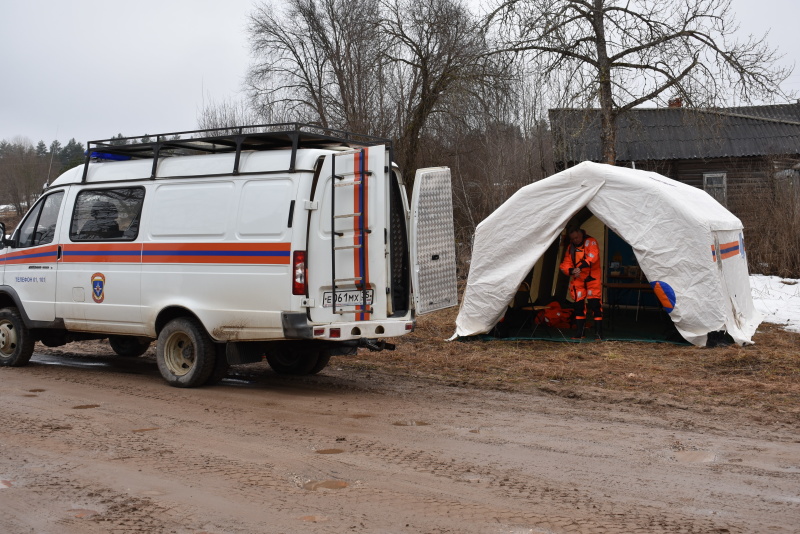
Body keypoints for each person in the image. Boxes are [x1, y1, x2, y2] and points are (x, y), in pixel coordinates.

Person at [560, 227, 603, 339]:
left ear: (581, 234)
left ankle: (598, 333)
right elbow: (565, 264)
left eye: (577, 237)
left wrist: (579, 267)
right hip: (578, 279)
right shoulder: (571, 248)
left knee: (595, 304)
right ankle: (580, 333)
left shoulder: (590, 242)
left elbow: (593, 256)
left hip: (592, 278)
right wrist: (571, 270)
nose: (575, 240)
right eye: (573, 238)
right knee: (578, 306)